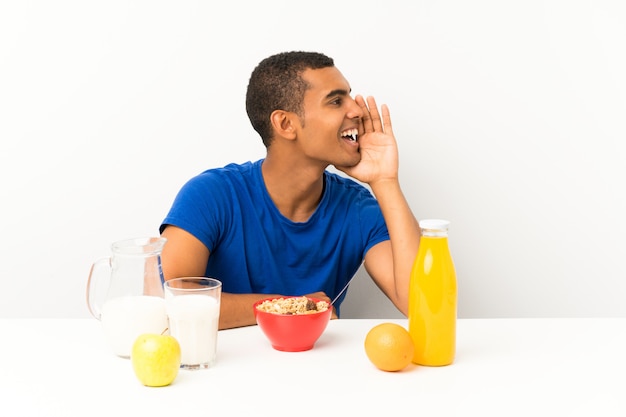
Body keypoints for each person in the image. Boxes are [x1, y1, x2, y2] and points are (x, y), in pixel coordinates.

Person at [159, 51, 421, 330]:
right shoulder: (210, 196)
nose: (356, 110)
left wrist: (385, 181)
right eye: (335, 101)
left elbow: (420, 305)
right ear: (286, 124)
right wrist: (291, 306)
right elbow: (172, 302)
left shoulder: (357, 208)